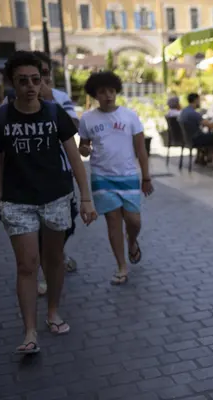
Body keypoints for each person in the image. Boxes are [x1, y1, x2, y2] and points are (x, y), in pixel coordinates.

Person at [0, 51, 97, 354]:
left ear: (43, 80)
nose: (31, 86)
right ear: (13, 83)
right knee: (27, 264)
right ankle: (29, 331)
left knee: (55, 260)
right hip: (17, 201)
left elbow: (74, 157)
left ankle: (53, 311)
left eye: (36, 80)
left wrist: (86, 198)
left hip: (56, 198)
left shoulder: (54, 112)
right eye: (23, 81)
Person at [2, 51, 81, 296]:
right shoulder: (10, 103)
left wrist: (51, 102)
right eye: (35, 77)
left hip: (60, 173)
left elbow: (74, 128)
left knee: (67, 225)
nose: (39, 83)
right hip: (26, 179)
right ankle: (44, 271)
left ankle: (55, 257)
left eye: (43, 76)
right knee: (32, 232)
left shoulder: (59, 98)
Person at [78, 71, 153, 285]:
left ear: (116, 91)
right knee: (113, 222)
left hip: (128, 175)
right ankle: (121, 266)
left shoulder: (130, 116)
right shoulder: (88, 119)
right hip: (102, 177)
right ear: (95, 94)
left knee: (134, 221)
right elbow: (82, 148)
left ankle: (133, 241)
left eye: (111, 91)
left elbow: (141, 149)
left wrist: (146, 177)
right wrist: (84, 148)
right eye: (102, 92)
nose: (108, 95)